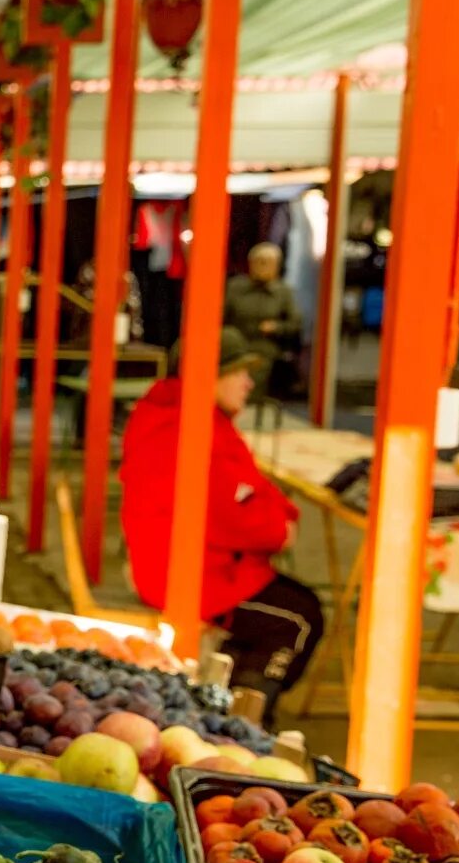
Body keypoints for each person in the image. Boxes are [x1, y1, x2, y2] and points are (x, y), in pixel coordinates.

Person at [119, 328, 323, 722]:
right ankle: (242, 718)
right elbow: (240, 515)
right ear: (208, 377)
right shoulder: (191, 429)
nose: (248, 382)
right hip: (189, 577)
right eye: (238, 371)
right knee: (298, 618)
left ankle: (227, 701)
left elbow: (250, 492)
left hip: (183, 564)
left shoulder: (174, 414)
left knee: (292, 608)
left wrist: (275, 515)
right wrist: (282, 527)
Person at [223, 243, 301, 394]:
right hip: (236, 346)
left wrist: (276, 327)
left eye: (267, 262)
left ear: (276, 266)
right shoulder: (235, 287)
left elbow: (295, 323)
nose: (262, 266)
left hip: (265, 350)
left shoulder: (283, 292)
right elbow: (221, 316)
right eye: (258, 261)